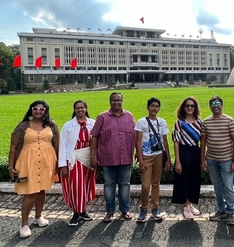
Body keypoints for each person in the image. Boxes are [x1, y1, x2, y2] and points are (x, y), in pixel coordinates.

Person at [8, 100, 59, 238]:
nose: (38, 111)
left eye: (41, 109)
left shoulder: (52, 125)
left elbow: (57, 145)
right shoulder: (22, 126)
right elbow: (13, 147)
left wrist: (59, 164)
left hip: (46, 162)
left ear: (46, 111)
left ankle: (38, 216)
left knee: (42, 190)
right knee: (30, 192)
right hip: (28, 162)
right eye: (35, 108)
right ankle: (24, 223)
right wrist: (10, 166)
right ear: (31, 110)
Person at [90, 92, 136, 223]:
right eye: (114, 100)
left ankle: (125, 210)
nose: (117, 102)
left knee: (125, 185)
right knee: (109, 185)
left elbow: (136, 135)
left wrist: (138, 152)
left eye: (119, 100)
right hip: (107, 157)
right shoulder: (102, 117)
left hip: (126, 156)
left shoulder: (129, 116)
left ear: (122, 101)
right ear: (110, 101)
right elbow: (94, 137)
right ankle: (109, 211)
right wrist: (92, 156)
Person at [200, 96, 234, 225]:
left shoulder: (229, 121)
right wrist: (202, 160)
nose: (215, 105)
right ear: (210, 106)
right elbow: (203, 141)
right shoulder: (206, 122)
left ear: (222, 105)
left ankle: (230, 212)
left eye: (218, 103)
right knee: (217, 186)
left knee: (228, 187)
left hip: (227, 160)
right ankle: (221, 210)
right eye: (213, 104)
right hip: (212, 160)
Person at [59, 100, 96, 226]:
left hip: (89, 157)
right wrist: (63, 165)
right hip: (75, 158)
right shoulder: (68, 126)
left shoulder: (93, 123)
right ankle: (75, 213)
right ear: (74, 110)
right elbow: (63, 146)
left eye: (82, 107)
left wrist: (96, 158)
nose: (80, 110)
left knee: (86, 185)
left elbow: (98, 141)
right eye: (77, 108)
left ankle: (83, 211)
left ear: (86, 108)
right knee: (76, 186)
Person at [135, 97, 171, 223]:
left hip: (158, 155)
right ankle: (143, 209)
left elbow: (165, 141)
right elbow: (138, 142)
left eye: (157, 106)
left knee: (156, 184)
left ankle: (155, 208)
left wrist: (168, 159)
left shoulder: (162, 122)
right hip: (146, 156)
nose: (154, 108)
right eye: (152, 106)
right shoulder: (141, 122)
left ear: (159, 109)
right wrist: (140, 160)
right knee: (145, 186)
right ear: (147, 107)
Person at [172, 96, 203, 219]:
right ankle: (185, 205)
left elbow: (203, 140)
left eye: (192, 106)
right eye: (187, 105)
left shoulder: (200, 122)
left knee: (194, 180)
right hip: (184, 152)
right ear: (183, 108)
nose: (190, 108)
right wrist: (178, 161)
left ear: (195, 108)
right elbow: (176, 142)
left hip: (195, 151)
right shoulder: (179, 123)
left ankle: (190, 203)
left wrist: (202, 157)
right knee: (183, 179)